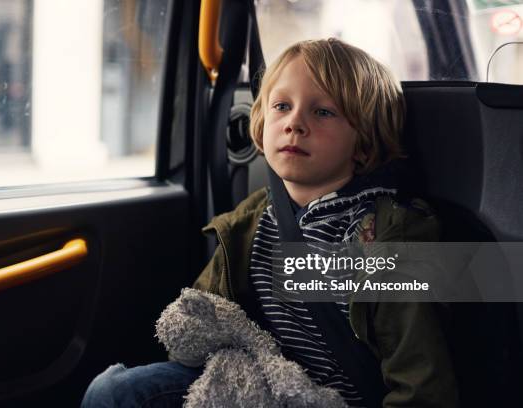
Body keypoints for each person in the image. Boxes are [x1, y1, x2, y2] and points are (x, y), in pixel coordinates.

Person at [81, 38, 458, 408]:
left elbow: (421, 380)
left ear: (363, 142)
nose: (295, 123)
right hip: (249, 382)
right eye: (282, 106)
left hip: (332, 397)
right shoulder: (252, 219)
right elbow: (203, 316)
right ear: (261, 123)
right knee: (115, 390)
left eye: (323, 112)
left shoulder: (386, 235)